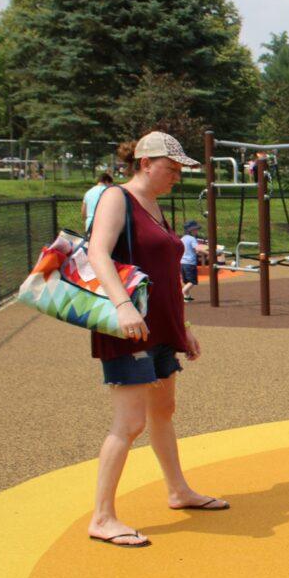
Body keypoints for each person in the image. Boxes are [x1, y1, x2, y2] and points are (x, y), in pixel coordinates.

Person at [85, 131, 225, 549]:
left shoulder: (153, 206)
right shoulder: (117, 198)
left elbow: (164, 276)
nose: (176, 176)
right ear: (146, 163)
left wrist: (184, 329)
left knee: (163, 409)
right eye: (171, 168)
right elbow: (98, 252)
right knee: (130, 422)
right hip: (129, 327)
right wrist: (123, 305)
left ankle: (178, 490)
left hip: (160, 327)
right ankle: (102, 516)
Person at [180, 220, 208, 303]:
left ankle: (187, 297)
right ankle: (183, 292)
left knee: (186, 281)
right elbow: (198, 248)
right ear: (190, 230)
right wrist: (209, 253)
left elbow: (192, 250)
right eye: (195, 229)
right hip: (190, 263)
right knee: (192, 281)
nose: (197, 231)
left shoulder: (182, 238)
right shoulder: (192, 239)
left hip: (182, 263)